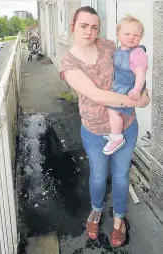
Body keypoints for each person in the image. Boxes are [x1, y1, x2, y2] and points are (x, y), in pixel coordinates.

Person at [59, 6, 150, 247]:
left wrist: (144, 95)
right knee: (99, 175)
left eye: (94, 26)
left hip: (127, 127)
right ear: (73, 27)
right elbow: (97, 95)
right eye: (84, 26)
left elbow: (135, 73)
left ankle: (119, 218)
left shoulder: (110, 46)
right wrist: (136, 101)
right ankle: (97, 210)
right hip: (95, 132)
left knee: (121, 176)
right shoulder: (68, 63)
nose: (90, 31)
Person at [103, 16, 148, 155]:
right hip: (119, 85)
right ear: (118, 35)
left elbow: (141, 74)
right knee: (110, 109)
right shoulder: (119, 50)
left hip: (128, 88)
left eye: (136, 35)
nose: (131, 37)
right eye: (127, 34)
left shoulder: (137, 52)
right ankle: (114, 132)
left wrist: (137, 89)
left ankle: (117, 137)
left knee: (113, 111)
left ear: (140, 37)